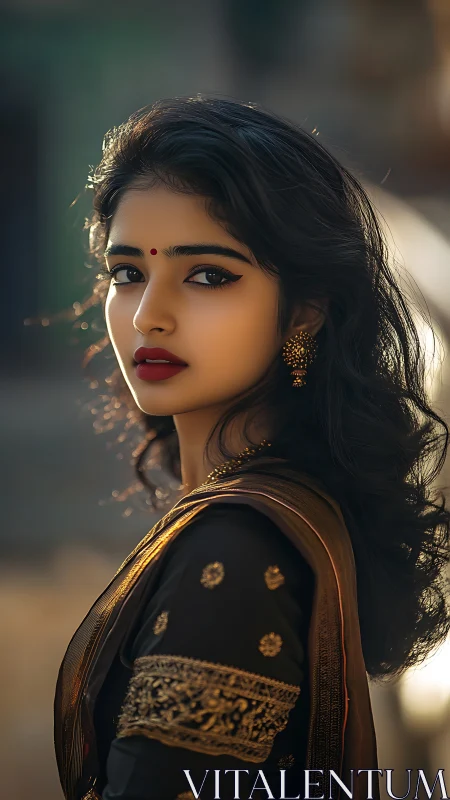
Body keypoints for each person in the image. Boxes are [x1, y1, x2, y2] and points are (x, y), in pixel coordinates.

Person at [53, 96, 450, 800]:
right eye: (127, 273)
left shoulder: (235, 550)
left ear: (303, 310)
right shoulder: (281, 510)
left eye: (207, 274)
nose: (149, 315)